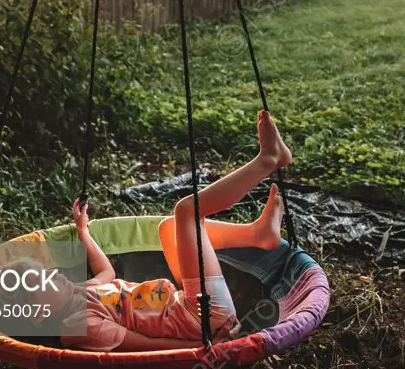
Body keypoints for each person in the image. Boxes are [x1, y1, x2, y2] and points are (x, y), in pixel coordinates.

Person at [58, 109, 292, 352]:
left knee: (168, 228)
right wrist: (207, 347)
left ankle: (258, 234)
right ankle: (267, 160)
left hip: (185, 305)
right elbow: (146, 347)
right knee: (187, 211)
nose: (54, 277)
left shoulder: (78, 293)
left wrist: (83, 231)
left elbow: (106, 271)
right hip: (202, 318)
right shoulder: (78, 326)